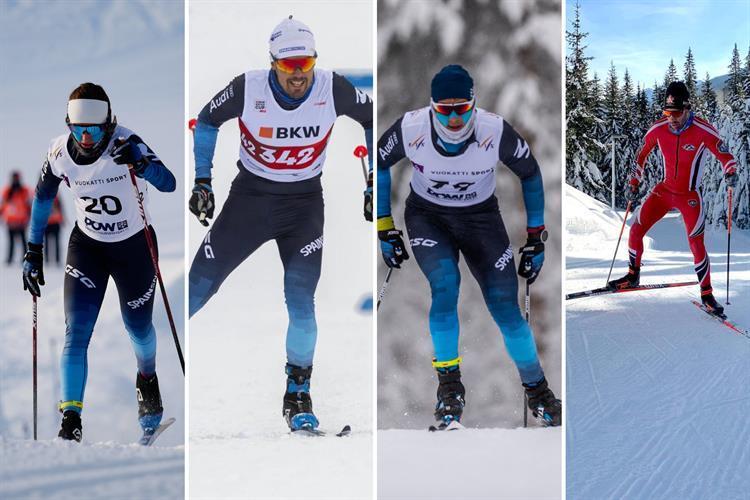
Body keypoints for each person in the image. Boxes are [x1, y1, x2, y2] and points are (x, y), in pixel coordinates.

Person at [187, 16, 372, 432]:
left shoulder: (332, 86)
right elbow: (207, 119)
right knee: (198, 288)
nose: (298, 75)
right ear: (273, 63)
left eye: (305, 64)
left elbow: (373, 117)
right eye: (289, 66)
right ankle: (157, 366)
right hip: (249, 201)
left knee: (302, 303)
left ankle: (298, 396)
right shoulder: (247, 87)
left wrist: (374, 180)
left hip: (303, 207)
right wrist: (203, 181)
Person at [377, 64, 561, 428]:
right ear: (432, 107)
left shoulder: (494, 130)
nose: (455, 118)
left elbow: (530, 173)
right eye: (445, 110)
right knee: (445, 287)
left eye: (463, 108)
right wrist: (385, 226)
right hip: (428, 218)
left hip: (481, 221)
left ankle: (538, 392)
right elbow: (380, 162)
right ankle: (449, 390)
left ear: (474, 104)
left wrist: (536, 237)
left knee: (506, 309)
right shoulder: (412, 128)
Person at [21, 83, 176, 442]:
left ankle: (147, 379)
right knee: (75, 334)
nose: (87, 137)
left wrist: (140, 163)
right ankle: (70, 420)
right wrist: (33, 250)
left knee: (138, 329)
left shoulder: (127, 141)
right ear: (69, 125)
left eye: (94, 129)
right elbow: (43, 198)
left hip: (134, 247)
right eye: (79, 129)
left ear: (109, 123)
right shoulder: (60, 151)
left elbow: (167, 182)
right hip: (88, 248)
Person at [609, 81, 738, 315]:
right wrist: (633, 182)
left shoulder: (702, 130)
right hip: (664, 191)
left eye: (676, 113)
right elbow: (641, 156)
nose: (672, 118)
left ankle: (707, 295)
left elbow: (725, 154)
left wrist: (730, 170)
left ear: (687, 108)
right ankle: (632, 275)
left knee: (696, 243)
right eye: (668, 112)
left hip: (689, 195)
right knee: (635, 230)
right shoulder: (658, 128)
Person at [0, 171, 31, 264]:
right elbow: (3, 205)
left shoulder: (24, 191)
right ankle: (10, 259)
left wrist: (28, 218)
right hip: (11, 222)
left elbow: (28, 205)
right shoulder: (7, 191)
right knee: (11, 242)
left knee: (23, 242)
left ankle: (26, 259)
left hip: (21, 222)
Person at [44, 195, 64, 265]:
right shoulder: (44, 196)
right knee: (48, 243)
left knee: (56, 242)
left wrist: (62, 219)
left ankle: (57, 260)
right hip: (48, 222)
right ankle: (48, 260)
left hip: (54, 222)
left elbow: (60, 208)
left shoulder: (55, 197)